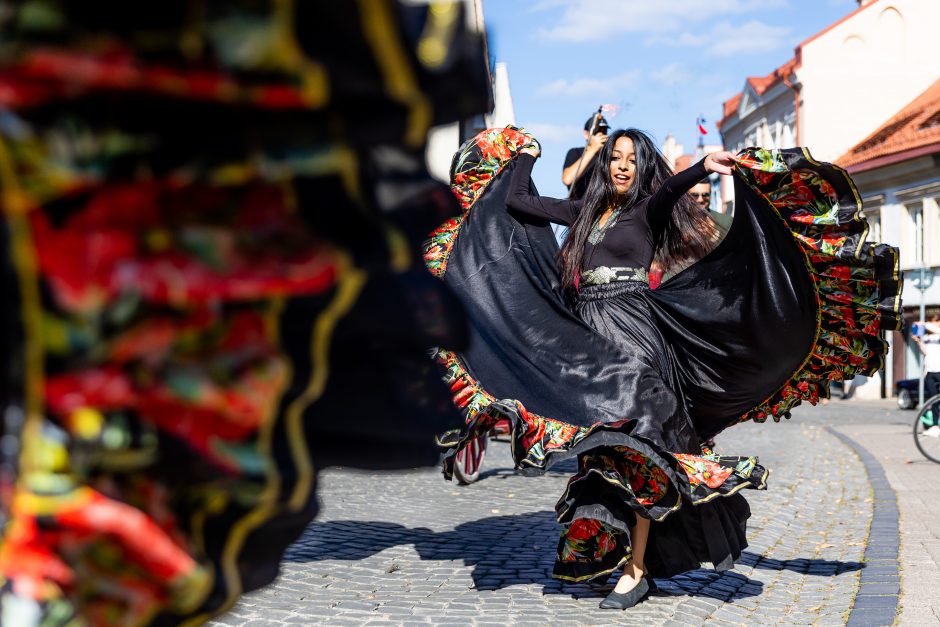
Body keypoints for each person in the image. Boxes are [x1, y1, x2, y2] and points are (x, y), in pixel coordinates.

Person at [429, 126, 901, 611]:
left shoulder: (645, 209)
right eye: (615, 157)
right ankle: (617, 556)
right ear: (604, 163)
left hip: (635, 335)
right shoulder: (582, 213)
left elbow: (671, 189)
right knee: (605, 454)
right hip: (587, 339)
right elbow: (520, 200)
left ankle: (635, 571)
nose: (622, 165)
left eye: (632, 159)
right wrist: (524, 154)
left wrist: (704, 168)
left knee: (643, 441)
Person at [562, 114, 610, 200]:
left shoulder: (609, 157)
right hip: (577, 206)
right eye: (596, 132)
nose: (601, 135)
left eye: (604, 132)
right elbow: (567, 179)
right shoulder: (575, 152)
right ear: (586, 134)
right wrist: (593, 149)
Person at [915, 314, 940, 434]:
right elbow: (925, 352)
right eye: (932, 321)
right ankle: (935, 426)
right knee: (933, 400)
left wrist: (924, 323)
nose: (934, 324)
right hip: (929, 371)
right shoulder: (927, 337)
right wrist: (919, 342)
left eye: (936, 321)